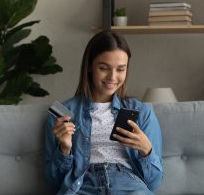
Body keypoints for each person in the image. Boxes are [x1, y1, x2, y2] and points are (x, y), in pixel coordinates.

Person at [45, 30, 163, 195]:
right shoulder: (63, 114)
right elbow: (54, 184)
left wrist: (146, 151)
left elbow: (154, 184)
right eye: (104, 68)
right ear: (90, 67)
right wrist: (64, 149)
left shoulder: (142, 113)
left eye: (121, 69)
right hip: (82, 185)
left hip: (128, 184)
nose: (112, 77)